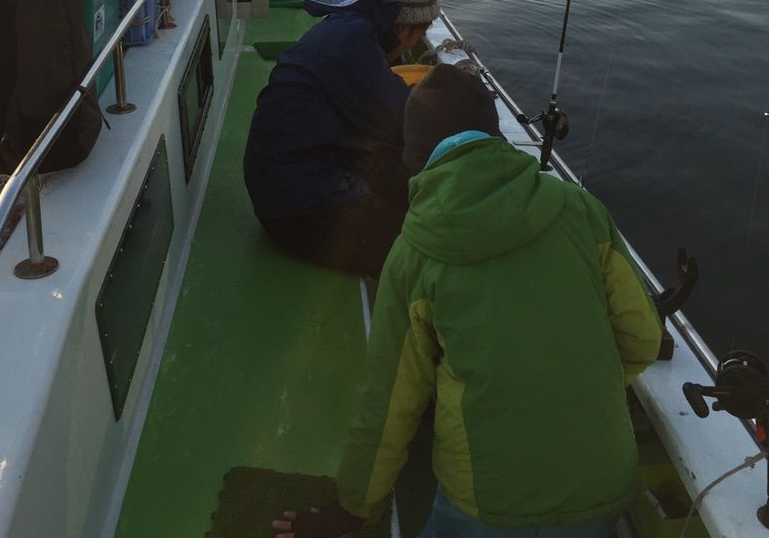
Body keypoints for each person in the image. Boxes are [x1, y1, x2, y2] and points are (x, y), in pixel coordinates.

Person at [272, 64, 662, 538]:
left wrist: (350, 511)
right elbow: (643, 340)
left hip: (485, 504)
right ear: (497, 134)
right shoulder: (583, 210)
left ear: (414, 157)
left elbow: (392, 403)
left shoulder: (412, 253)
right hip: (602, 487)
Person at [242, 0, 441, 278]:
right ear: (403, 28)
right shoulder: (354, 47)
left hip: (287, 183)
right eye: (417, 35)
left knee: (407, 182)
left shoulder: (347, 29)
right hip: (302, 209)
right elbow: (405, 124)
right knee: (431, 247)